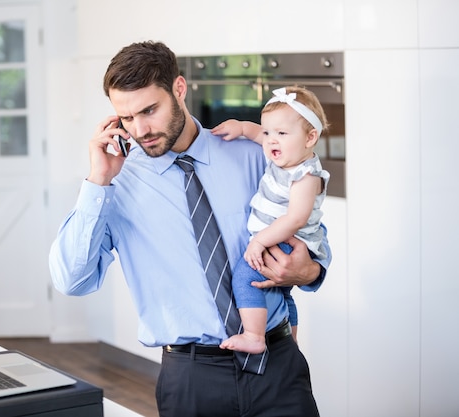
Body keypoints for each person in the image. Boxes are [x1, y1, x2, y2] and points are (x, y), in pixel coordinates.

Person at [49, 41, 331, 417]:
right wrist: (97, 180)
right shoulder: (115, 184)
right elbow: (72, 279)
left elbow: (313, 237)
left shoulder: (253, 155)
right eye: (127, 118)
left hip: (276, 364)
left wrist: (308, 270)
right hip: (191, 379)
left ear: (179, 89)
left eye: (150, 110)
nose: (141, 129)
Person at [211, 86, 331, 355]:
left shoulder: (305, 174)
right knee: (283, 295)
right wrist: (242, 127)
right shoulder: (287, 157)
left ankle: (254, 336)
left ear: (310, 137)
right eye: (268, 132)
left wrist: (259, 242)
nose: (270, 141)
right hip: (281, 239)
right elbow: (259, 134)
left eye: (281, 133)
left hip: (288, 241)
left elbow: (296, 218)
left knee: (244, 276)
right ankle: (291, 341)